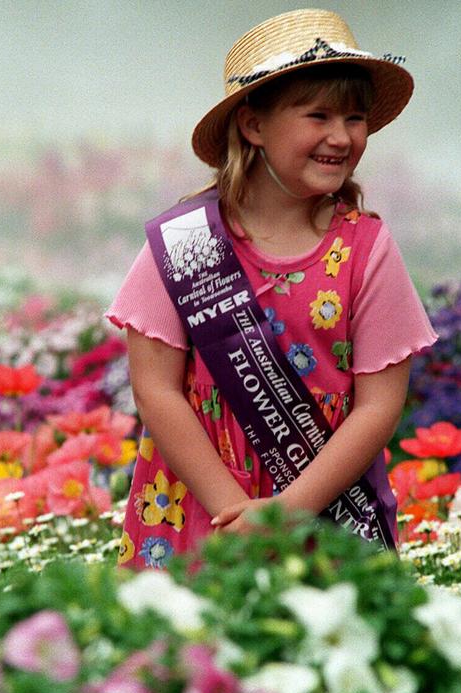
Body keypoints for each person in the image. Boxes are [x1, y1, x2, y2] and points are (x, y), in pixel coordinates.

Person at [108, 9, 436, 570]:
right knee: (187, 654)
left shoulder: (368, 249)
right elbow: (155, 390)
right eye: (319, 115)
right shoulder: (184, 240)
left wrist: (286, 512)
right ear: (253, 125)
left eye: (354, 118)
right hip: (199, 514)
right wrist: (236, 512)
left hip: (323, 513)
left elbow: (379, 405)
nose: (342, 136)